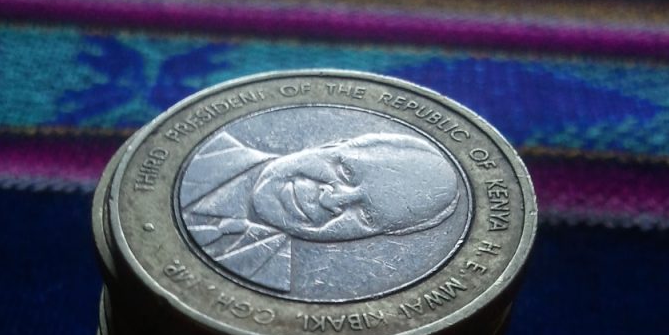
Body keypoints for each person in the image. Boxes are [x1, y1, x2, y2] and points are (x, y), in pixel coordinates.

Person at [178, 128, 461, 293]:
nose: (331, 201)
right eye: (348, 172)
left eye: (366, 216)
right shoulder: (199, 154)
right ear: (331, 145)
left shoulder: (271, 278)